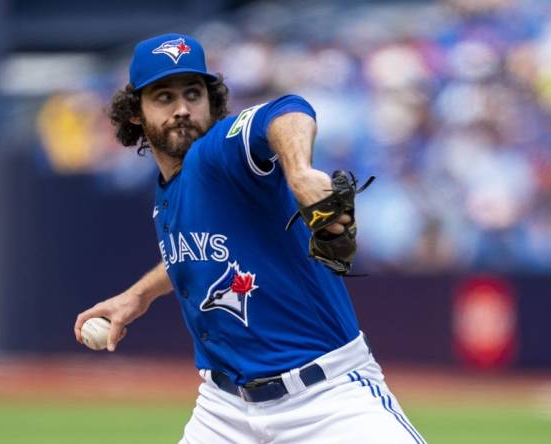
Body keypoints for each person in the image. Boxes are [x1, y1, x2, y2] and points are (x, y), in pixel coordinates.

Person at [74, 33, 426, 444]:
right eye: (164, 97)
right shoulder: (169, 189)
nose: (183, 109)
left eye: (193, 93)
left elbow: (286, 110)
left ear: (212, 101)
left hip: (326, 399)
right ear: (136, 112)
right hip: (223, 411)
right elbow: (194, 256)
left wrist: (298, 170)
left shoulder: (219, 153)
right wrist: (139, 295)